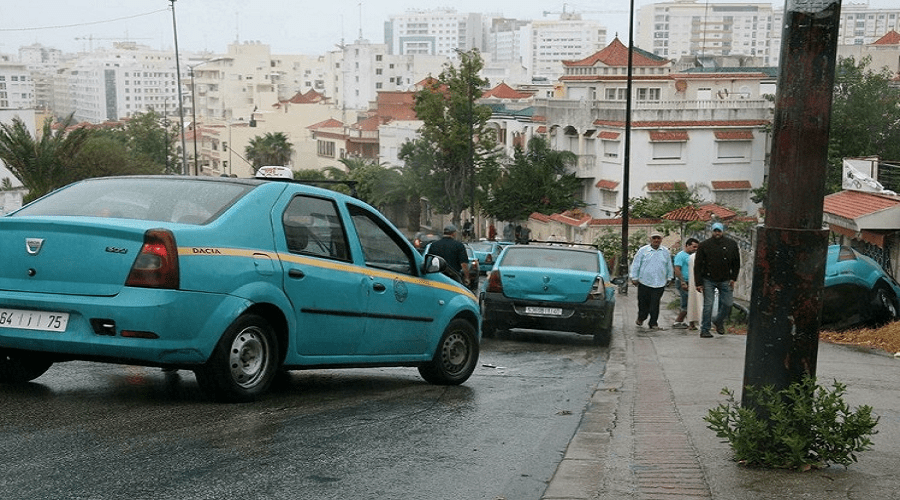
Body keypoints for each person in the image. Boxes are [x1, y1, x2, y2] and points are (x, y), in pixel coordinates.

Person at [694, 222, 741, 338]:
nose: (717, 233)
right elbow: (698, 264)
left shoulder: (731, 244)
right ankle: (705, 329)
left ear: (723, 231)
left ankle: (718, 320)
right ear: (712, 231)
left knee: (728, 303)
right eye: (715, 231)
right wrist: (698, 282)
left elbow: (736, 262)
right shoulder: (704, 245)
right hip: (708, 278)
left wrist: (733, 278)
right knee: (708, 305)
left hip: (725, 279)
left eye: (719, 231)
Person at [630, 231, 674, 330]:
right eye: (654, 238)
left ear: (661, 240)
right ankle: (641, 317)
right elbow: (636, 264)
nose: (656, 240)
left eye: (658, 238)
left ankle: (653, 323)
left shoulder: (665, 251)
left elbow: (668, 265)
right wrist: (634, 277)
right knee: (643, 303)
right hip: (644, 281)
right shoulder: (643, 250)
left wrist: (670, 277)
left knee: (655, 303)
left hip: (659, 282)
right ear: (650, 239)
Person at [672, 237, 699, 329]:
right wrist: (682, 282)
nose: (695, 249)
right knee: (686, 303)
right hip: (684, 282)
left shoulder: (693, 256)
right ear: (687, 245)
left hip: (692, 282)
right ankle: (678, 321)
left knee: (692, 302)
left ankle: (691, 323)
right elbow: (677, 269)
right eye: (694, 247)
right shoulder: (681, 255)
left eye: (697, 247)